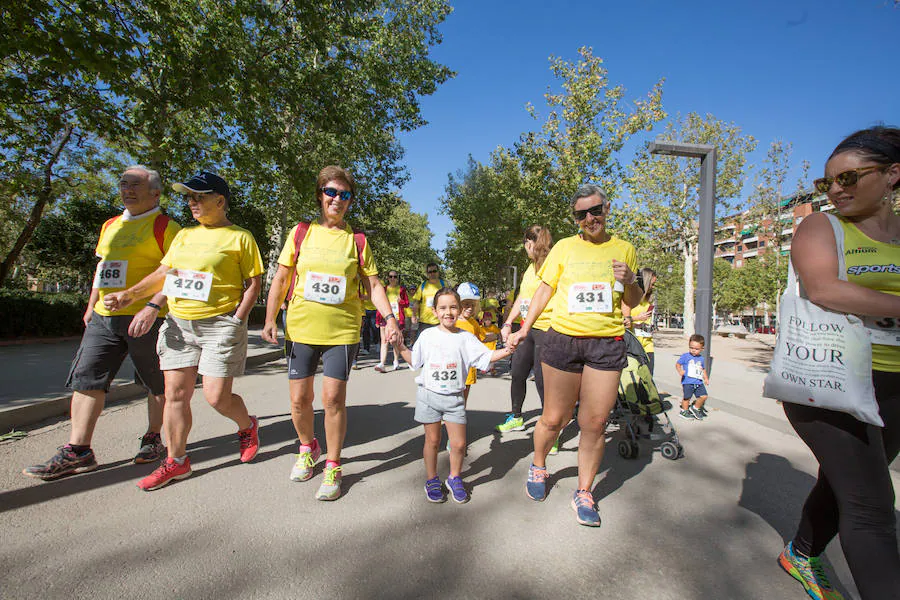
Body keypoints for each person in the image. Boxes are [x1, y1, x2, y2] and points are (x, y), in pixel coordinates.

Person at [776, 126, 900, 600]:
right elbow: (825, 289)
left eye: (848, 177)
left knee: (845, 482)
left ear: (892, 174)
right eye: (826, 182)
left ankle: (802, 552)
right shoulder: (820, 227)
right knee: (872, 509)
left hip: (894, 383)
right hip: (831, 380)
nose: (835, 190)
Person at [103, 171, 264, 491]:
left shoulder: (240, 237)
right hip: (178, 324)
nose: (191, 202)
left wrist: (238, 320)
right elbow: (167, 274)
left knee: (217, 397)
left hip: (219, 324)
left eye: (199, 196)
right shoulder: (185, 236)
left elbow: (253, 284)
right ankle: (177, 461)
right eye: (188, 197)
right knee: (175, 395)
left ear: (220, 200)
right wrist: (135, 298)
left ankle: (247, 426)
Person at [23, 166, 180, 480]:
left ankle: (152, 437)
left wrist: (152, 307)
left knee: (156, 383)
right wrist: (92, 302)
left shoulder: (166, 226)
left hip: (147, 318)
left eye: (135, 184)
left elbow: (175, 273)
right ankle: (78, 450)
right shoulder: (110, 225)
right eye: (123, 184)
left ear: (155, 193)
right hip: (104, 317)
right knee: (87, 378)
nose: (127, 189)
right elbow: (103, 266)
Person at [262, 165, 401, 501]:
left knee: (333, 400)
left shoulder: (357, 242)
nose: (337, 199)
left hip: (342, 331)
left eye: (344, 194)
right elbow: (281, 279)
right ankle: (308, 448)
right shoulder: (301, 233)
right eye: (331, 192)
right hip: (300, 328)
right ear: (320, 195)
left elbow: (374, 284)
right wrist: (269, 319)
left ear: (350, 201)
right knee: (299, 400)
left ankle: (334, 466)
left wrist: (390, 318)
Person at [508, 184, 641, 527]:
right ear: (575, 218)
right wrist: (524, 327)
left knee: (594, 423)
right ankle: (538, 466)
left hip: (605, 343)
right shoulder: (564, 248)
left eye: (595, 211)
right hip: (563, 340)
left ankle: (584, 491)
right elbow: (545, 289)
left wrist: (630, 281)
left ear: (606, 208)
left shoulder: (624, 249)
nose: (589, 219)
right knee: (555, 418)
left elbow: (635, 300)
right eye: (581, 214)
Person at [393, 287, 513, 503]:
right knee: (432, 440)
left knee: (458, 444)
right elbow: (414, 360)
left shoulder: (466, 338)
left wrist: (508, 350)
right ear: (435, 311)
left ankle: (454, 477)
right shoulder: (427, 335)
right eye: (443, 308)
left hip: (454, 399)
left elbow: (485, 358)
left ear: (459, 310)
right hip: (429, 396)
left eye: (453, 307)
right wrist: (398, 345)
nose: (448, 312)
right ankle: (431, 479)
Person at [498, 225, 553, 438]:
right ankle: (516, 417)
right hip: (525, 329)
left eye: (525, 246)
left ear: (529, 244)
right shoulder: (530, 269)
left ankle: (551, 429)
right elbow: (523, 297)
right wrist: (508, 322)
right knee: (518, 373)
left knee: (541, 380)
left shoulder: (550, 266)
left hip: (546, 329)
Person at [623, 267, 658, 374]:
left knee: (648, 381)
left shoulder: (649, 302)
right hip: (633, 347)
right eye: (652, 283)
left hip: (648, 347)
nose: (653, 286)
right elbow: (622, 321)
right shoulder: (631, 300)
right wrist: (636, 318)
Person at [374, 270, 409, 373]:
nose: (392, 278)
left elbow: (407, 303)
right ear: (388, 278)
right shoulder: (384, 289)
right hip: (384, 318)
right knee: (384, 341)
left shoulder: (402, 290)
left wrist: (401, 301)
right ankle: (382, 363)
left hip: (397, 319)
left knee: (395, 341)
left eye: (395, 276)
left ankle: (396, 361)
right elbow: (379, 305)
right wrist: (377, 319)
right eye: (391, 276)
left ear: (397, 278)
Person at [675, 334, 709, 420]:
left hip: (698, 382)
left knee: (704, 396)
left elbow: (703, 369)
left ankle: (695, 408)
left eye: (696, 349)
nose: (693, 350)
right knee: (687, 398)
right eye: (691, 348)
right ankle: (684, 411)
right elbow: (678, 364)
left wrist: (706, 378)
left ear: (702, 349)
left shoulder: (701, 358)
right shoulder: (685, 356)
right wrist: (680, 371)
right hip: (688, 381)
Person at [410, 262, 445, 341]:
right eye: (430, 272)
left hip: (440, 320)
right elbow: (416, 302)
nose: (432, 273)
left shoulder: (444, 284)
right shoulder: (423, 286)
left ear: (438, 272)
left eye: (434, 271)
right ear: (427, 274)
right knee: (424, 345)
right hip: (425, 322)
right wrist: (414, 315)